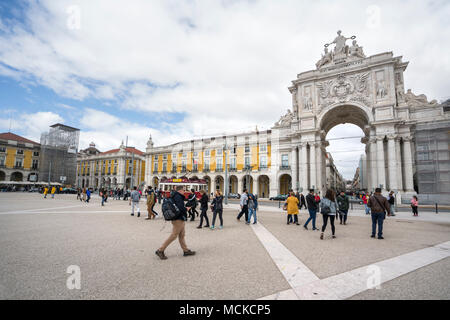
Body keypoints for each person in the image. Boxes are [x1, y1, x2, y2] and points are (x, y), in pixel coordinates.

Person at [155, 185, 195, 260]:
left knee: (182, 235)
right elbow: (180, 208)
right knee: (174, 235)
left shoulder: (175, 196)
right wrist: (186, 209)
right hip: (178, 219)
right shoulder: (178, 197)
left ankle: (185, 250)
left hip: (179, 218)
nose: (184, 191)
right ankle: (160, 250)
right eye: (184, 190)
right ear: (180, 190)